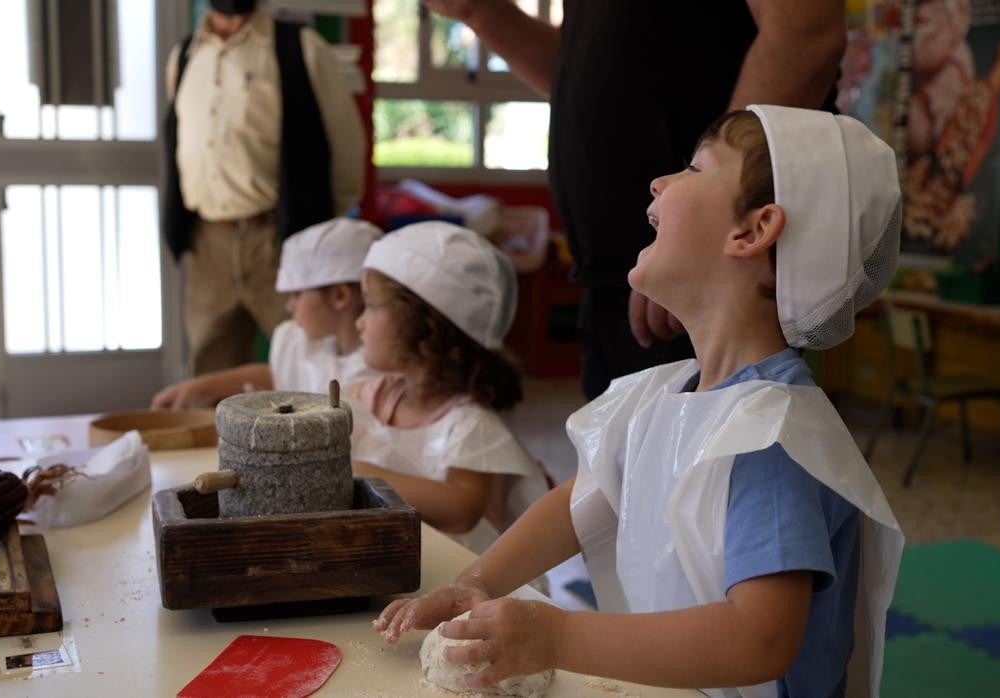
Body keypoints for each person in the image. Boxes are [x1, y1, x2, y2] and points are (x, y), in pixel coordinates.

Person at [372, 107, 906, 697]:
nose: (659, 182)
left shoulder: (770, 434)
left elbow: (760, 639)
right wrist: (479, 581)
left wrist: (556, 637)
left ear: (753, 231)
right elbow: (581, 502)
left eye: (695, 168)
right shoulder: (663, 395)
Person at [422, 0, 847, 398]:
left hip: (706, 272)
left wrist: (696, 241)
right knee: (618, 466)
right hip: (617, 275)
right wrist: (482, 13)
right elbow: (602, 76)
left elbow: (805, 33)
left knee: (705, 469)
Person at [163, 0, 365, 375]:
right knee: (210, 369)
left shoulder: (301, 47)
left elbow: (347, 147)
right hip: (209, 246)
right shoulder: (185, 55)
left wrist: (316, 236)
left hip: (280, 240)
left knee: (312, 366)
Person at [347, 222, 550, 554]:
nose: (360, 321)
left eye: (370, 304)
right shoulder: (371, 394)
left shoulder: (471, 425)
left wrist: (362, 473)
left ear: (419, 322)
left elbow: (461, 509)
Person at [151, 218, 381, 409]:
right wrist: (196, 388)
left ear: (340, 296)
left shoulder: (378, 369)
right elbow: (277, 373)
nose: (290, 306)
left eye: (297, 295)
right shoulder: (302, 342)